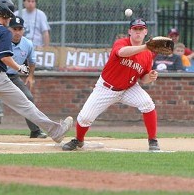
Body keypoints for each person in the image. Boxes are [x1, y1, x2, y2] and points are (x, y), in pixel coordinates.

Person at [0, 0, 73, 150]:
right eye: (9, 15)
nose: (9, 19)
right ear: (4, 14)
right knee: (26, 106)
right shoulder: (4, 32)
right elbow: (4, 57)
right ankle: (57, 131)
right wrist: (20, 68)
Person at [62, 18, 160, 152]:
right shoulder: (121, 43)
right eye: (135, 29)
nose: (138, 32)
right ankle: (79, 140)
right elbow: (121, 52)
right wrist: (145, 46)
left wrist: (151, 77)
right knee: (85, 118)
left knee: (148, 104)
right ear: (129, 31)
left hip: (129, 88)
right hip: (107, 87)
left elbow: (143, 78)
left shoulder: (148, 55)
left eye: (141, 29)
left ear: (145, 32)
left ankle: (153, 141)